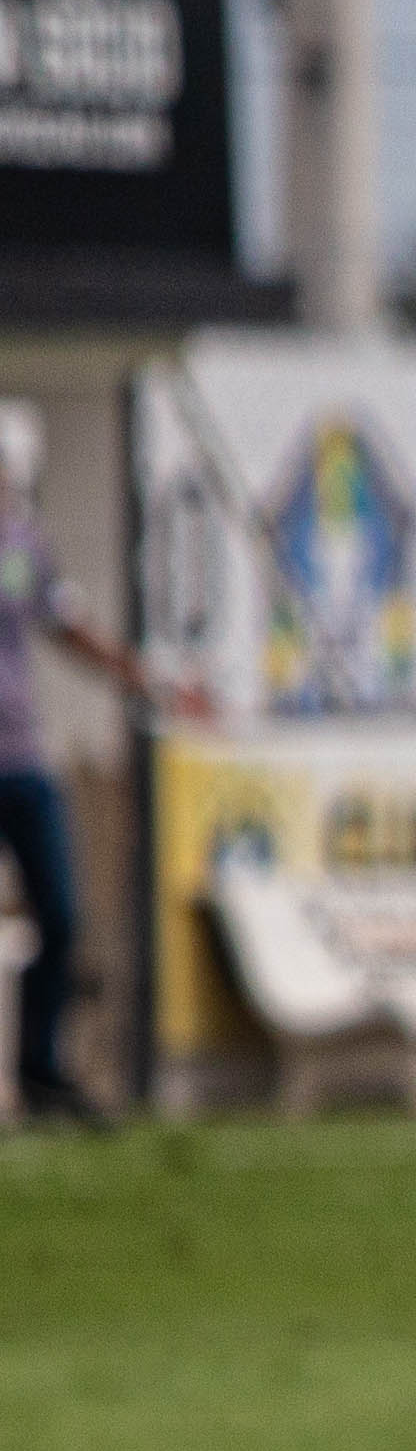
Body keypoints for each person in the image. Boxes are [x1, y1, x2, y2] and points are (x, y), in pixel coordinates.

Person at [0, 398, 190, 1127]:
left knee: (60, 913)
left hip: (23, 757)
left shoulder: (24, 543)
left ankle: (41, 1071)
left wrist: (140, 676)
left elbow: (65, 624)